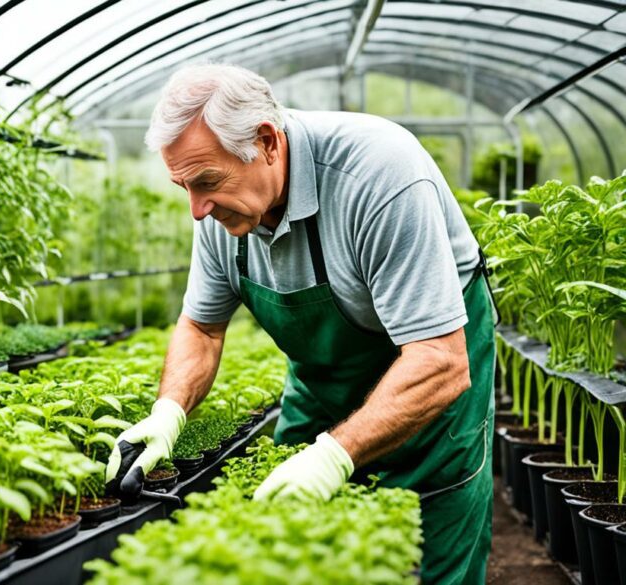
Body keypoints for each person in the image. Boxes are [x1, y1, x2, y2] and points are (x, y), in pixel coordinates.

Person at [104, 64, 496, 585]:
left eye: (206, 183)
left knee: (430, 550)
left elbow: (439, 361)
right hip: (321, 382)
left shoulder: (379, 176)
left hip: (429, 388)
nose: (196, 210)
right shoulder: (222, 211)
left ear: (266, 142)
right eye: (183, 187)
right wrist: (168, 413)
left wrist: (333, 456)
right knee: (284, 548)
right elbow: (202, 328)